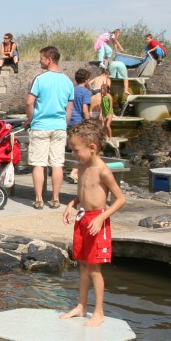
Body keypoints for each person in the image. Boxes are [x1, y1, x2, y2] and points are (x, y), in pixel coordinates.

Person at [60, 121, 126, 326]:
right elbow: (84, 193)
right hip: (82, 219)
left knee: (95, 268)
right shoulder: (82, 166)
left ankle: (99, 311)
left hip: (98, 221)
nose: (73, 154)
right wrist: (71, 204)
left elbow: (121, 199)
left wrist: (101, 217)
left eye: (76, 150)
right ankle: (81, 306)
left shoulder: (103, 171)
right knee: (83, 265)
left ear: (92, 148)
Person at [25, 45, 74, 210]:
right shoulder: (68, 81)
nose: (40, 61)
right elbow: (69, 109)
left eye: (41, 58)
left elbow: (29, 102)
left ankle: (39, 199)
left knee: (39, 163)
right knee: (57, 164)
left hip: (40, 126)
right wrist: (64, 124)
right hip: (59, 126)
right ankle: (55, 199)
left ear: (49, 59)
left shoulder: (40, 79)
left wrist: (30, 120)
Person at [66, 69, 93, 183]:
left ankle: (71, 170)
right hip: (79, 122)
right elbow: (85, 109)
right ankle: (74, 172)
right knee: (80, 148)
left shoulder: (71, 89)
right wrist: (89, 123)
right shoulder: (86, 92)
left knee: (69, 147)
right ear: (86, 80)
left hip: (69, 121)